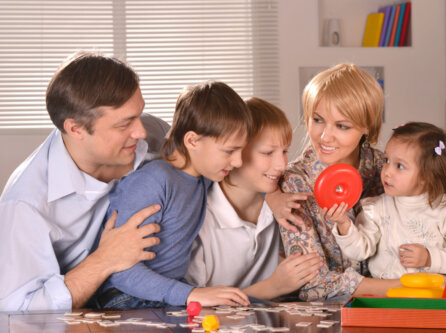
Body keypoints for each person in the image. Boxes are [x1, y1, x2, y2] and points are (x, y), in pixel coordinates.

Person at [274, 63, 446, 300]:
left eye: (342, 126)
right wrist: (412, 287)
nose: (324, 135)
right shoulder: (295, 182)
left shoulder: (387, 166)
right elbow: (314, 283)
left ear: (366, 127)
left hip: (415, 301)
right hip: (339, 311)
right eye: (317, 119)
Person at [0, 51, 171, 311]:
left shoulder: (154, 136)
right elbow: (21, 311)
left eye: (139, 114)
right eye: (124, 124)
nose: (141, 131)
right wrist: (105, 259)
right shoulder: (25, 204)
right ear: (76, 129)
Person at [94, 81, 252, 310]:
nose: (238, 161)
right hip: (124, 295)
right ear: (192, 141)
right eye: (229, 151)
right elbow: (120, 271)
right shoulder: (153, 181)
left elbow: (249, 181)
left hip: (168, 289)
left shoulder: (202, 176)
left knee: (248, 308)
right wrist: (191, 294)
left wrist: (275, 198)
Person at [185, 97, 323, 301]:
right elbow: (196, 303)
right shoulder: (198, 218)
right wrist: (273, 287)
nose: (281, 164)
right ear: (235, 151)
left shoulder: (281, 203)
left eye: (285, 151)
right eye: (268, 152)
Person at [329, 122, 446, 279]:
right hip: (386, 297)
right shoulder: (376, 208)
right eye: (386, 160)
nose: (387, 172)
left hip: (432, 298)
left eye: (399, 166)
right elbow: (360, 251)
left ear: (427, 176)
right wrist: (343, 224)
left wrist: (429, 257)